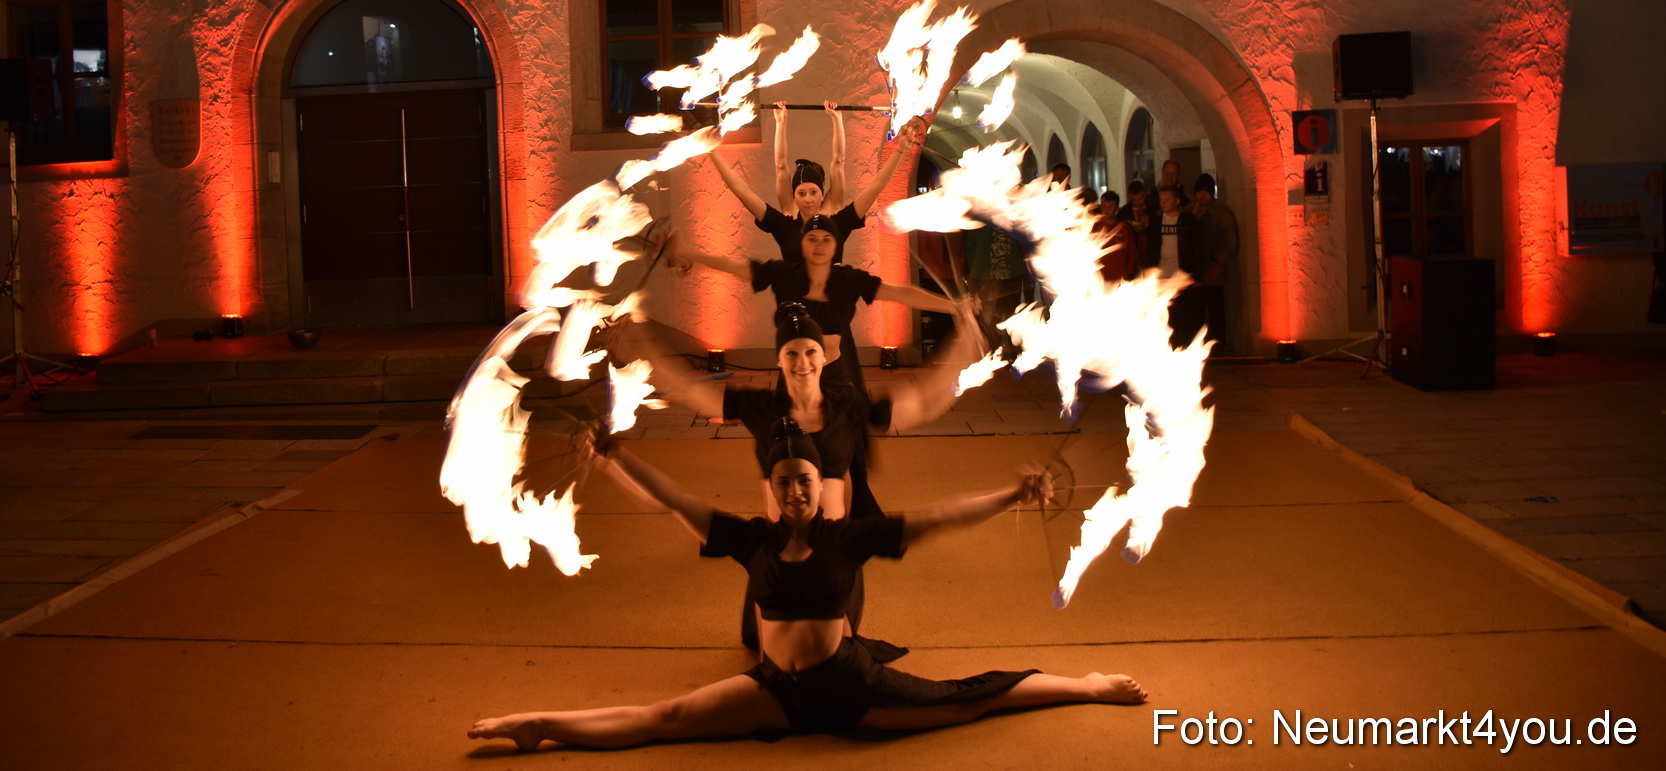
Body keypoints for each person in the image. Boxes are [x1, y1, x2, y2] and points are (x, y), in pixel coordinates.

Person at [466, 422, 1146, 750]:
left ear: (820, 489)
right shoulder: (750, 539)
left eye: (806, 481)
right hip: (777, 690)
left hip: (850, 686)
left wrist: (1010, 491)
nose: (795, 490)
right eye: (785, 480)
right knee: (665, 719)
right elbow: (671, 498)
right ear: (772, 488)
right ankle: (540, 724)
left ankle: (1084, 682)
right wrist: (615, 455)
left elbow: (940, 517)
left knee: (967, 702)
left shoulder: (845, 536)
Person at [671, 216, 974, 517]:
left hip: (835, 377)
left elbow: (900, 293)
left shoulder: (848, 280)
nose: (819, 245)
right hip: (795, 377)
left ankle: (845, 519)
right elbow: (737, 267)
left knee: (841, 452)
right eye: (812, 238)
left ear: (836, 244)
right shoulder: (785, 275)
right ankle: (786, 516)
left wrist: (952, 306)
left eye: (826, 239)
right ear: (801, 243)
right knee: (787, 444)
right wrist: (689, 254)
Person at [708, 106, 926, 263]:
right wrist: (780, 123)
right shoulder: (785, 221)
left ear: (822, 193)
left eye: (813, 192)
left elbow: (869, 182)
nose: (808, 199)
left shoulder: (837, 219)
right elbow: (752, 184)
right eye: (801, 193)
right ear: (793, 195)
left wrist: (837, 120)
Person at [1145, 184, 1202, 348]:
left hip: (1183, 275)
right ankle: (1172, 347)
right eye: (1161, 200)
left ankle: (1187, 347)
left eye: (1167, 199)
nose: (1163, 203)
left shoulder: (1187, 220)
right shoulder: (1156, 221)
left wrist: (1197, 274)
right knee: (1168, 315)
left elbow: (1197, 246)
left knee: (1186, 315)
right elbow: (1151, 248)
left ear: (1177, 201)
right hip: (1163, 275)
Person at [1192, 174, 1238, 353]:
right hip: (1196, 269)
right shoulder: (1191, 211)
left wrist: (1217, 260)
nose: (1202, 196)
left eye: (1206, 192)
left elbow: (1230, 242)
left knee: (1215, 309)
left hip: (1213, 270)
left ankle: (1218, 345)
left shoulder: (1221, 214)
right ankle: (1199, 345)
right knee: (1197, 311)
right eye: (1200, 192)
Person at [1091, 191, 1140, 282]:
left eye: (1110, 206)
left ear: (1117, 208)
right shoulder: (1095, 228)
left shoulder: (1124, 230)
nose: (1107, 209)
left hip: (1120, 278)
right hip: (1099, 279)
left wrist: (1129, 273)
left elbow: (1132, 252)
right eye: (1104, 206)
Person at [1117, 180, 1151, 264]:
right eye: (1134, 200)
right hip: (1133, 254)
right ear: (1128, 196)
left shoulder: (1153, 209)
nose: (1138, 202)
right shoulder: (1124, 213)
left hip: (1151, 251)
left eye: (1141, 198)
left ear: (1145, 194)